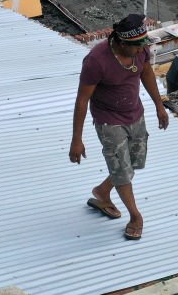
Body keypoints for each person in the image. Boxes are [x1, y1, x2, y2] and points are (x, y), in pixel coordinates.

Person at [70, 14, 168, 241]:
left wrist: (159, 106)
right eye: (136, 46)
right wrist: (77, 139)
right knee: (122, 170)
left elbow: (147, 74)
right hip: (108, 120)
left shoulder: (140, 49)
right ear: (122, 43)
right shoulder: (96, 61)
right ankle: (135, 217)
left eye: (143, 45)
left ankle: (103, 191)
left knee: (134, 163)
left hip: (135, 114)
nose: (141, 50)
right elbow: (82, 100)